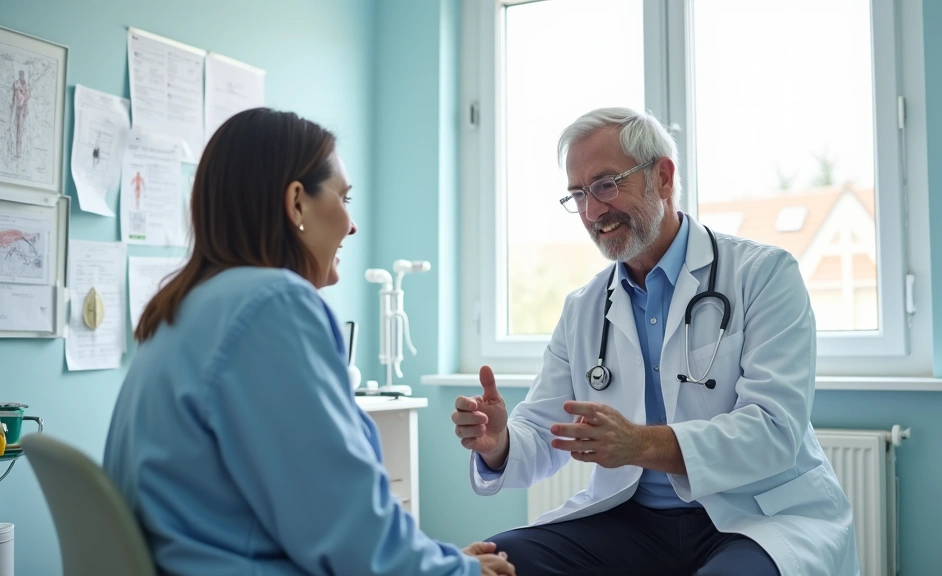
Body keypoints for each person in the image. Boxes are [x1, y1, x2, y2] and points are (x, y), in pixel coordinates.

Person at [104, 108, 515, 576]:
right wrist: (457, 573)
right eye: (344, 197)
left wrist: (441, 561)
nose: (352, 224)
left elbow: (311, 521)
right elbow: (344, 523)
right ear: (297, 203)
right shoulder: (272, 304)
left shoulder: (181, 310)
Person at [451, 107, 859, 576]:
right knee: (493, 563)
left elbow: (773, 432)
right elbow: (545, 434)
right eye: (578, 195)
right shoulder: (583, 308)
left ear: (662, 177)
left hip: (754, 516)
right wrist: (498, 442)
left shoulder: (764, 275)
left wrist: (639, 444)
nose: (591, 211)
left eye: (605, 185)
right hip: (631, 522)